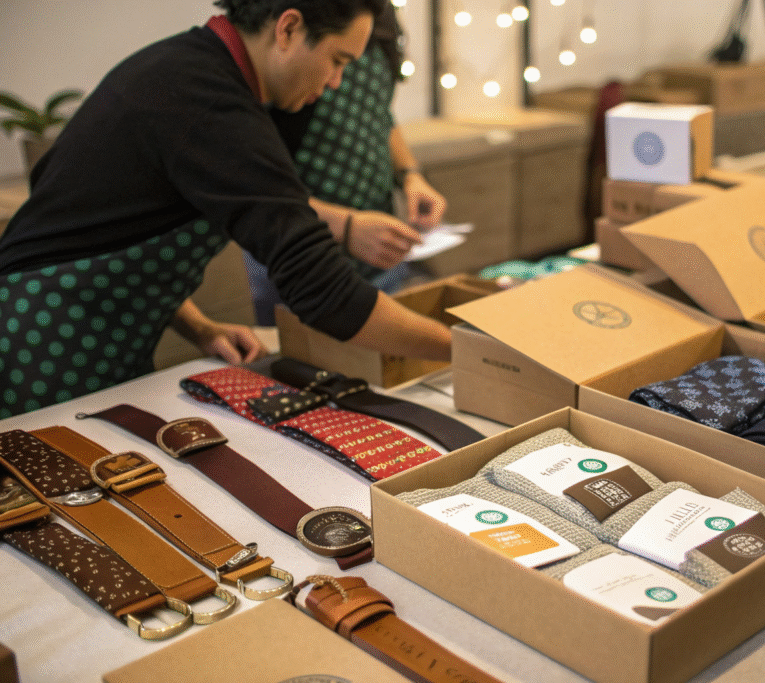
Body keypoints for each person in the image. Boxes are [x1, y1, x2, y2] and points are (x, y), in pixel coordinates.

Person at [0, 0, 451, 418]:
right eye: (337, 60)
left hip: (103, 338)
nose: (335, 82)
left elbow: (120, 233)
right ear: (288, 29)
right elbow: (326, 293)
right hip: (46, 339)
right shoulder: (208, 99)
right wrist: (462, 347)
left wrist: (200, 327)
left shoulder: (190, 67)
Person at [244, 0, 444, 324]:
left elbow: (379, 110)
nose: (335, 80)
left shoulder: (379, 15)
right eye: (336, 61)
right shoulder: (285, 33)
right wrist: (347, 226)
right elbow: (251, 184)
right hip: (299, 256)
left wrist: (410, 174)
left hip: (378, 248)